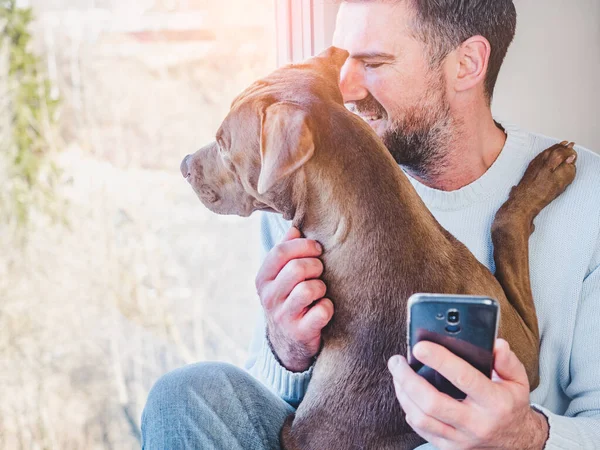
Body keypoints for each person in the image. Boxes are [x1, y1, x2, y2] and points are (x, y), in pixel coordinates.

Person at [141, 1, 600, 448]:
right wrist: (287, 350)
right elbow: (273, 408)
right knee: (185, 395)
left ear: (467, 64)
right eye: (343, 59)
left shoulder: (589, 199)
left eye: (374, 62)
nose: (347, 88)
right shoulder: (299, 174)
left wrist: (523, 437)